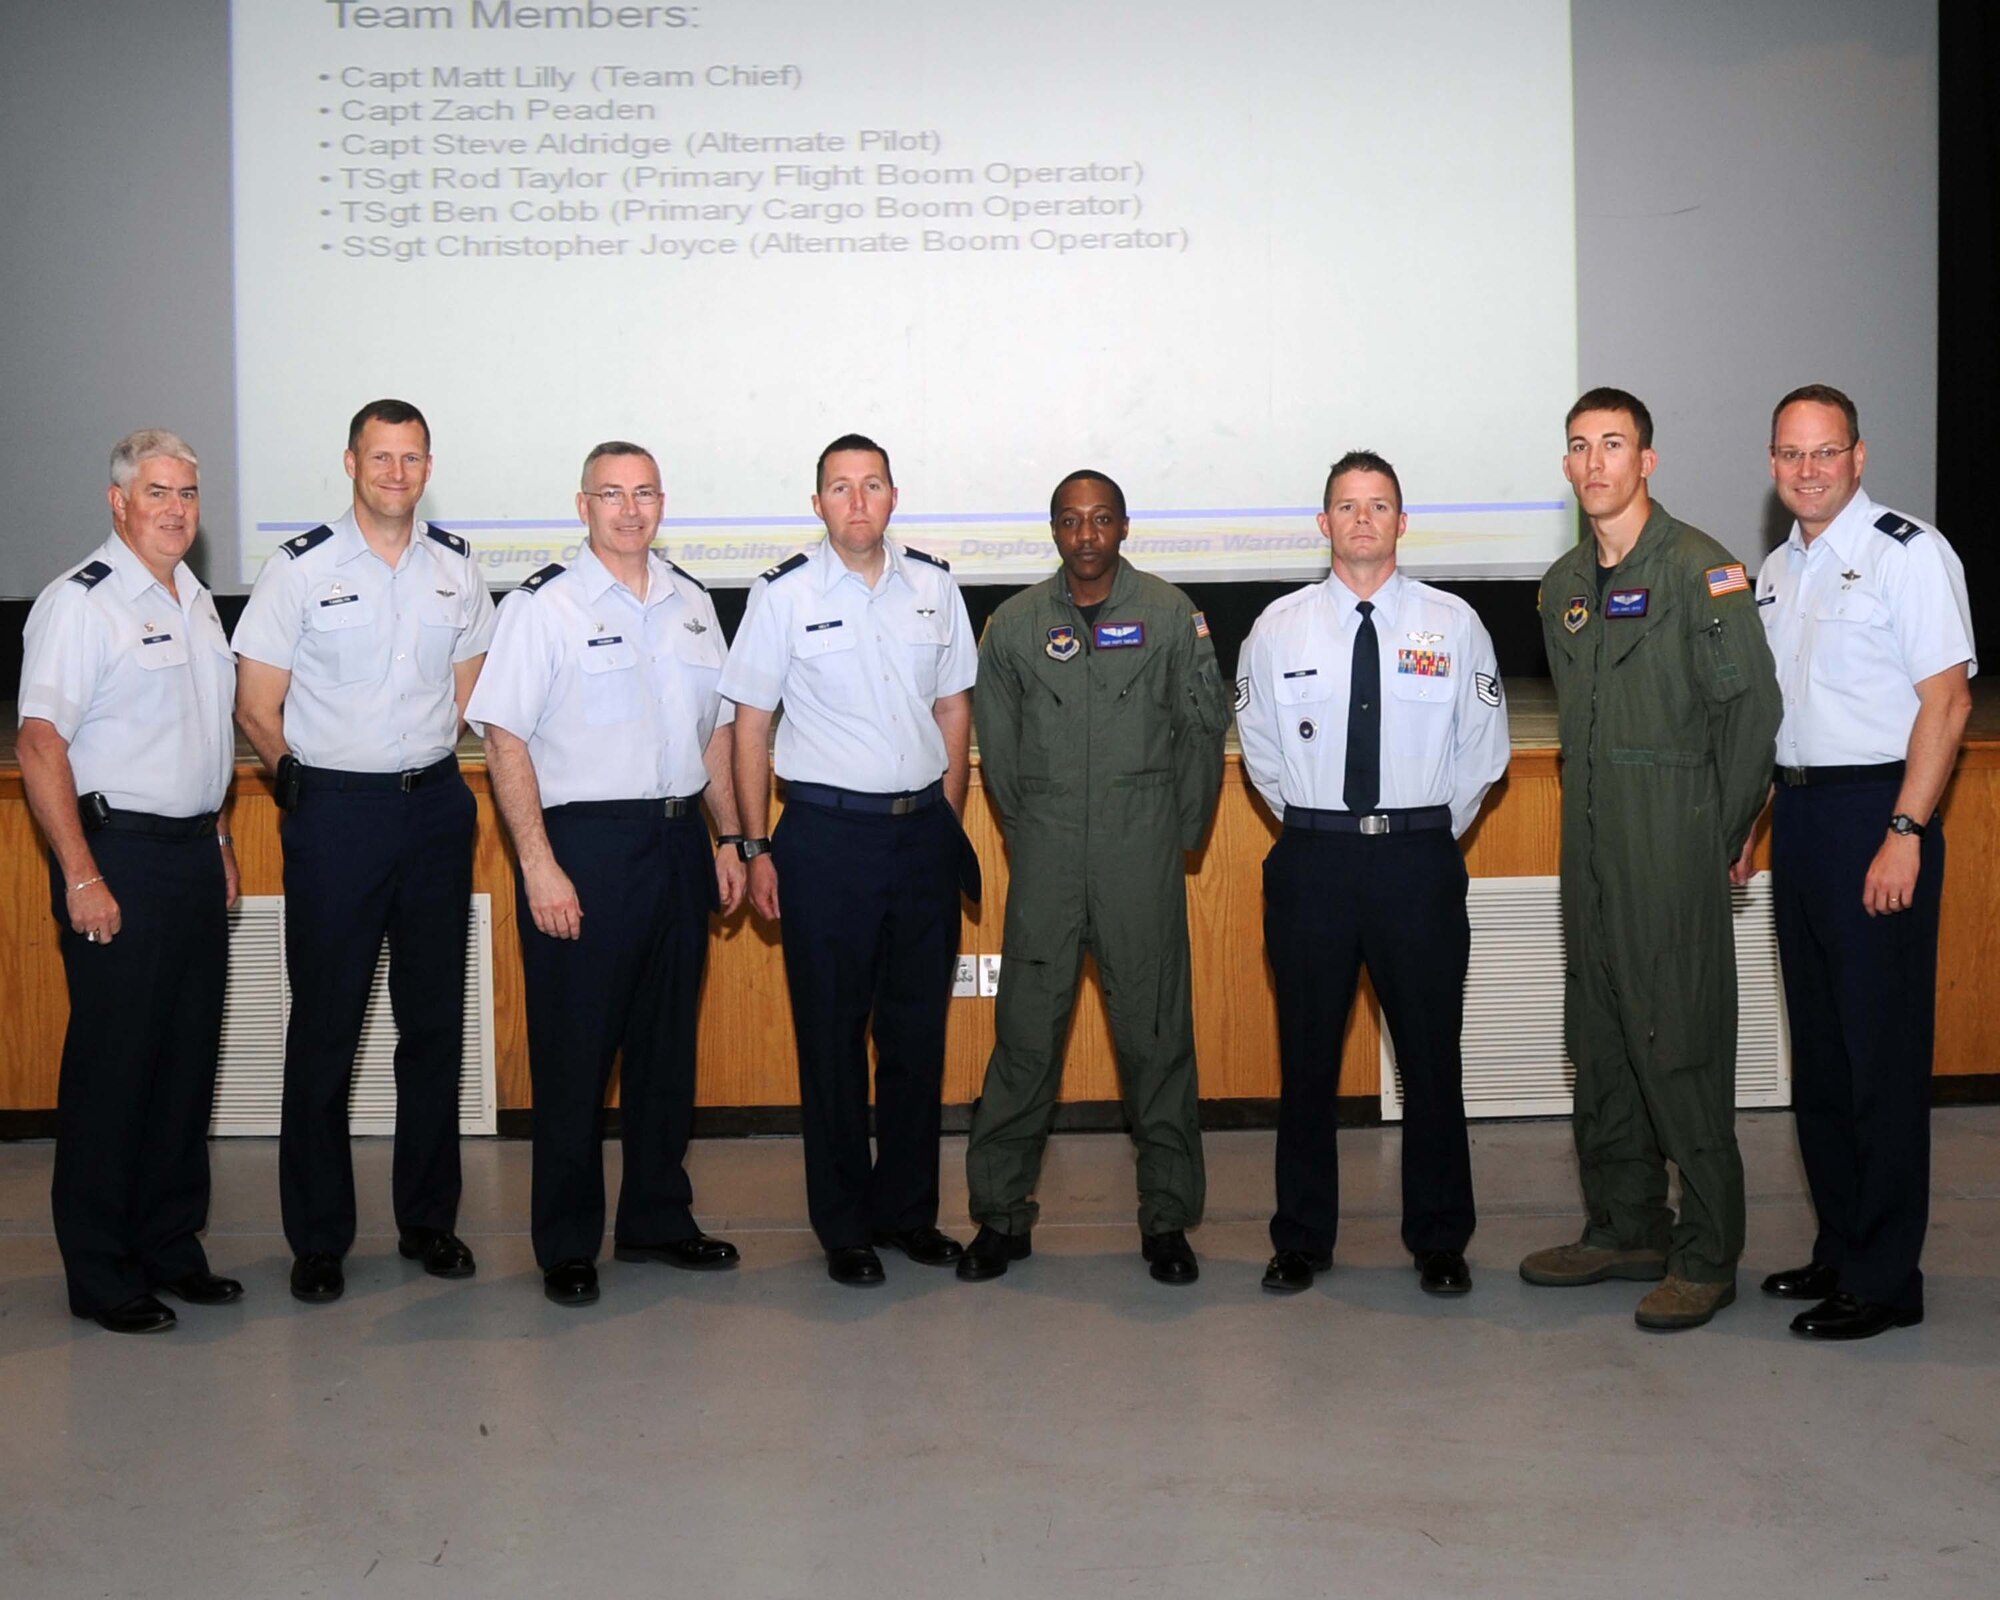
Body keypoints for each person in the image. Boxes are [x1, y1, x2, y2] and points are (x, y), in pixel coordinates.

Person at [1521, 387, 1781, 1331]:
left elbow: (1752, 716)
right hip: (1589, 849)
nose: (1596, 464)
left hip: (1670, 844)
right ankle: (1626, 1224)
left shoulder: (1701, 572)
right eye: (1581, 447)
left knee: (1679, 1045)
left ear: (1648, 461)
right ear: (1565, 466)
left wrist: (1716, 836)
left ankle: (1708, 1251)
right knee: (1600, 1040)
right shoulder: (1560, 588)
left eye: (1615, 445)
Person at [466, 441, 747, 1307]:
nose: (630, 510)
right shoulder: (543, 607)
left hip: (674, 845)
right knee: (576, 1055)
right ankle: (567, 1242)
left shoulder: (693, 603)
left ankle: (659, 1218)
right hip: (582, 848)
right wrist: (538, 864)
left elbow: (714, 732)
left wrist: (729, 836)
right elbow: (503, 737)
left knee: (666, 1049)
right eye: (611, 495)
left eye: (645, 494)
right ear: (582, 504)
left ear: (664, 502)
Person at [233, 399, 496, 1304]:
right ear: (351, 462)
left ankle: (429, 1223)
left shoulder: (456, 569)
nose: (396, 473)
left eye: (411, 458)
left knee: (433, 1029)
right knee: (326, 1031)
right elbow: (255, 700)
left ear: (429, 465)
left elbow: (470, 689)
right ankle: (318, 1239)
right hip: (334, 818)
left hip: (431, 813)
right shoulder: (299, 569)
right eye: (380, 458)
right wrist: (294, 780)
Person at [1237, 451, 1510, 1296]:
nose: (1363, 519)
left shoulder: (1454, 623)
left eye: (1379, 505)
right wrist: (1325, 828)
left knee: (1432, 1061)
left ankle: (1439, 1239)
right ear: (1323, 524)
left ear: (1401, 521)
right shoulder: (1278, 627)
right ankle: (1302, 1238)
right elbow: (1262, 756)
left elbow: (1482, 751)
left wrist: (1421, 834)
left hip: (1417, 864)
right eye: (1347, 506)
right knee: (1308, 1060)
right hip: (1315, 860)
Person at [1740, 384, 1974, 1340]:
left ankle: (1886, 1280)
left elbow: (1948, 702)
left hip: (1877, 816)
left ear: (1859, 456)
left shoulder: (1908, 556)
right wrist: (1750, 829)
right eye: (1791, 454)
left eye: (1825, 452)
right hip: (1800, 818)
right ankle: (1840, 1247)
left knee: (1879, 1058)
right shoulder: (1774, 572)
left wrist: (1906, 832)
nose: (1808, 470)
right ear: (1772, 465)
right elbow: (1778, 723)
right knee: (1825, 1058)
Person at [720, 433, 979, 1286]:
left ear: (893, 497)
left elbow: (953, 709)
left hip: (920, 837)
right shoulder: (782, 595)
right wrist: (756, 845)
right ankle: (844, 1228)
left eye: (872, 486)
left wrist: (946, 824)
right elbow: (749, 726)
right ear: (819, 503)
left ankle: (907, 1214)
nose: (857, 501)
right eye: (840, 487)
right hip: (824, 840)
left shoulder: (935, 588)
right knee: (831, 1038)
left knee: (915, 1036)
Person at [958, 470, 1229, 1285]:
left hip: (1138, 855)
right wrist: (1033, 829)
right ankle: (1002, 1218)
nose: (1086, 536)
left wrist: (1177, 837)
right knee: (1024, 1039)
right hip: (1046, 858)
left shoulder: (1172, 616)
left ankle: (1167, 1221)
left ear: (1123, 527)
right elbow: (997, 755)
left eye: (1100, 520)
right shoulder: (1012, 626)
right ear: (1053, 530)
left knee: (1156, 1041)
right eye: (1071, 521)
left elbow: (1201, 732)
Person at [18, 430, 241, 1334]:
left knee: (185, 1068)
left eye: (187, 493)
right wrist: (80, 875)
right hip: (118, 860)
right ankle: (102, 1271)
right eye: (158, 492)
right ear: (119, 502)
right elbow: (40, 745)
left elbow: (203, 734)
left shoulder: (194, 597)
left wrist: (221, 837)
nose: (177, 509)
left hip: (190, 856)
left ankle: (169, 1247)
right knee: (116, 1075)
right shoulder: (81, 604)